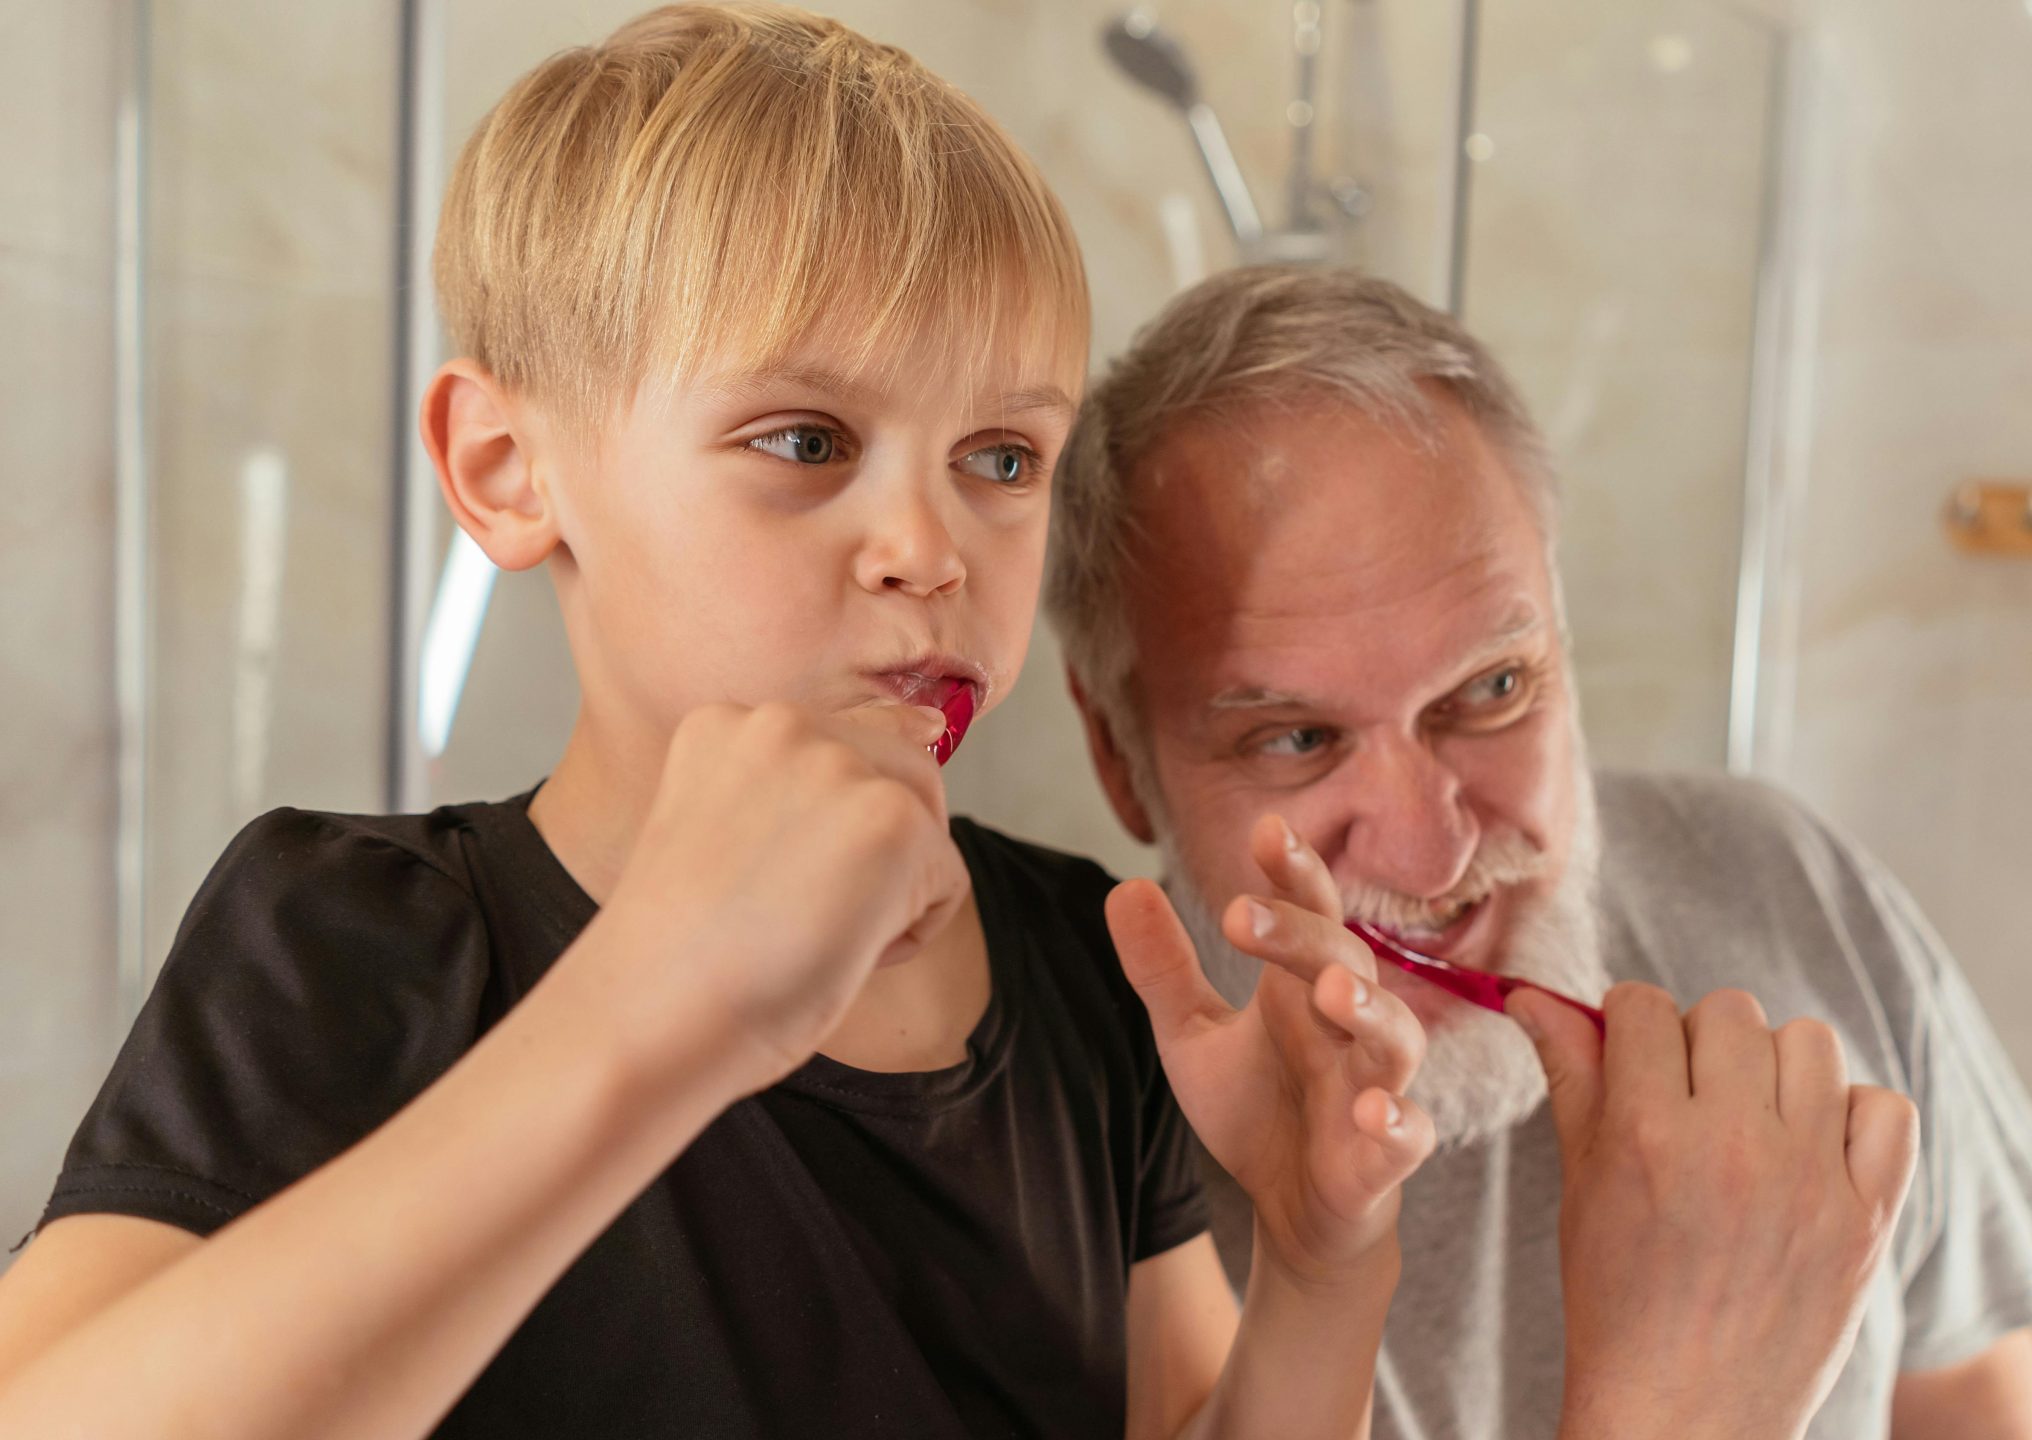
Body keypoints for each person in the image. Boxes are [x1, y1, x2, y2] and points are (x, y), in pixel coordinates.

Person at [0, 11, 1436, 1437]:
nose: (929, 547)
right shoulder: (359, 947)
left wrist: (1320, 1268)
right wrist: (661, 1007)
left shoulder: (1087, 966)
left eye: (1001, 458)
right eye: (805, 442)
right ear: (507, 472)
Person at [1046, 265, 2032, 1440]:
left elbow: (1972, 1398)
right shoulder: (1053, 1147)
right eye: (1294, 738)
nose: (1432, 854)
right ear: (1118, 755)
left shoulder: (1786, 881)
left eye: (1491, 689)